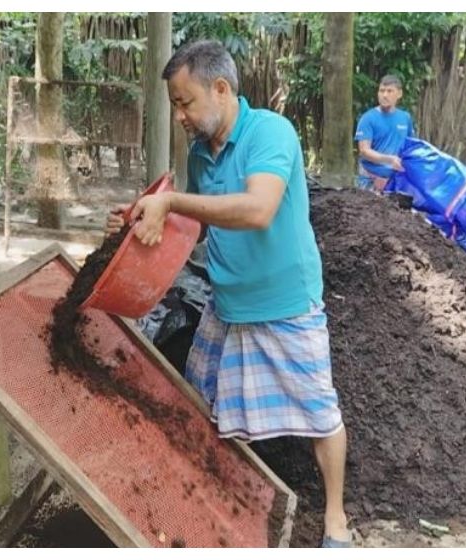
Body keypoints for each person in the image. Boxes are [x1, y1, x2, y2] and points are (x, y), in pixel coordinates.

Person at [106, 40, 353, 548]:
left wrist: (172, 201)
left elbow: (258, 209)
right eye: (175, 105)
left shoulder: (271, 133)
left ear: (220, 89)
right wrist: (140, 222)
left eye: (185, 102)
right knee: (199, 401)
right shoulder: (201, 153)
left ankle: (335, 519)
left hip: (285, 303)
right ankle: (208, 496)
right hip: (227, 305)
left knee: (319, 414)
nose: (179, 115)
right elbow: (197, 224)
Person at [354, 74, 415, 191]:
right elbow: (364, 151)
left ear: (399, 94)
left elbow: (410, 147)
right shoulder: (368, 118)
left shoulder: (405, 117)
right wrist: (390, 160)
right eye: (382, 91)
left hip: (397, 182)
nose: (385, 95)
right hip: (370, 182)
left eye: (389, 91)